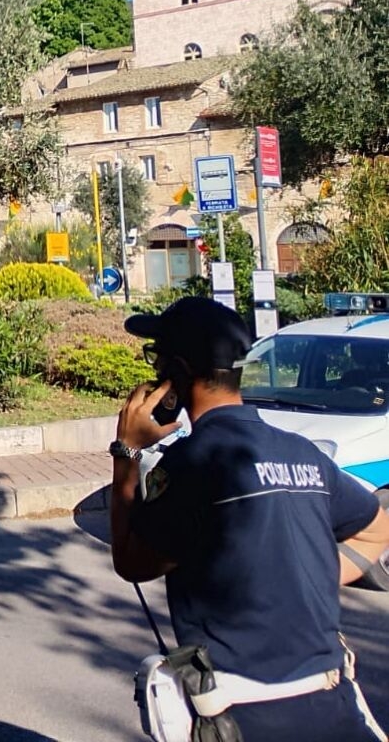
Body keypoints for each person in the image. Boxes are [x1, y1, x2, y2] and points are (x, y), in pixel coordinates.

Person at [111, 296, 389, 741]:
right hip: (337, 706)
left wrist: (126, 452)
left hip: (246, 716)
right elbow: (378, 531)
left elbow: (132, 563)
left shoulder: (193, 464)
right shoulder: (304, 454)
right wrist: (305, 573)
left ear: (177, 373)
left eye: (157, 358)